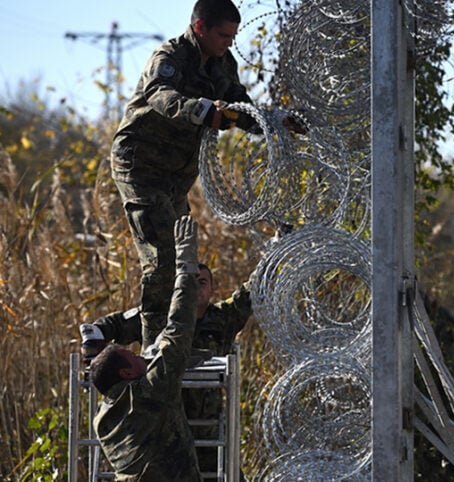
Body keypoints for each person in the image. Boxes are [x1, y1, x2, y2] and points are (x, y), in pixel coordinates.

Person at [110, 0, 302, 350]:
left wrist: (274, 121)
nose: (229, 42)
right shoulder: (170, 57)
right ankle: (157, 353)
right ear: (200, 28)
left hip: (175, 176)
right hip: (141, 165)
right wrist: (199, 110)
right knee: (163, 258)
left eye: (233, 36)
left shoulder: (222, 64)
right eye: (223, 35)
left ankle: (179, 341)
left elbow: (240, 107)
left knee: (185, 260)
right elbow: (160, 95)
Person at [81, 262, 253, 478]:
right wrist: (93, 350)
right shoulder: (157, 318)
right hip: (163, 429)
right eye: (190, 281)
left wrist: (275, 251)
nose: (196, 287)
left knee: (228, 475)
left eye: (202, 282)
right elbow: (111, 326)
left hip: (206, 427)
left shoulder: (223, 317)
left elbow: (249, 293)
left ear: (211, 290)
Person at [89, 215, 202, 481]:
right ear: (126, 374)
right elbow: (179, 330)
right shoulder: (149, 393)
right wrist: (186, 268)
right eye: (133, 356)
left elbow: (102, 370)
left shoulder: (102, 420)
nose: (140, 355)